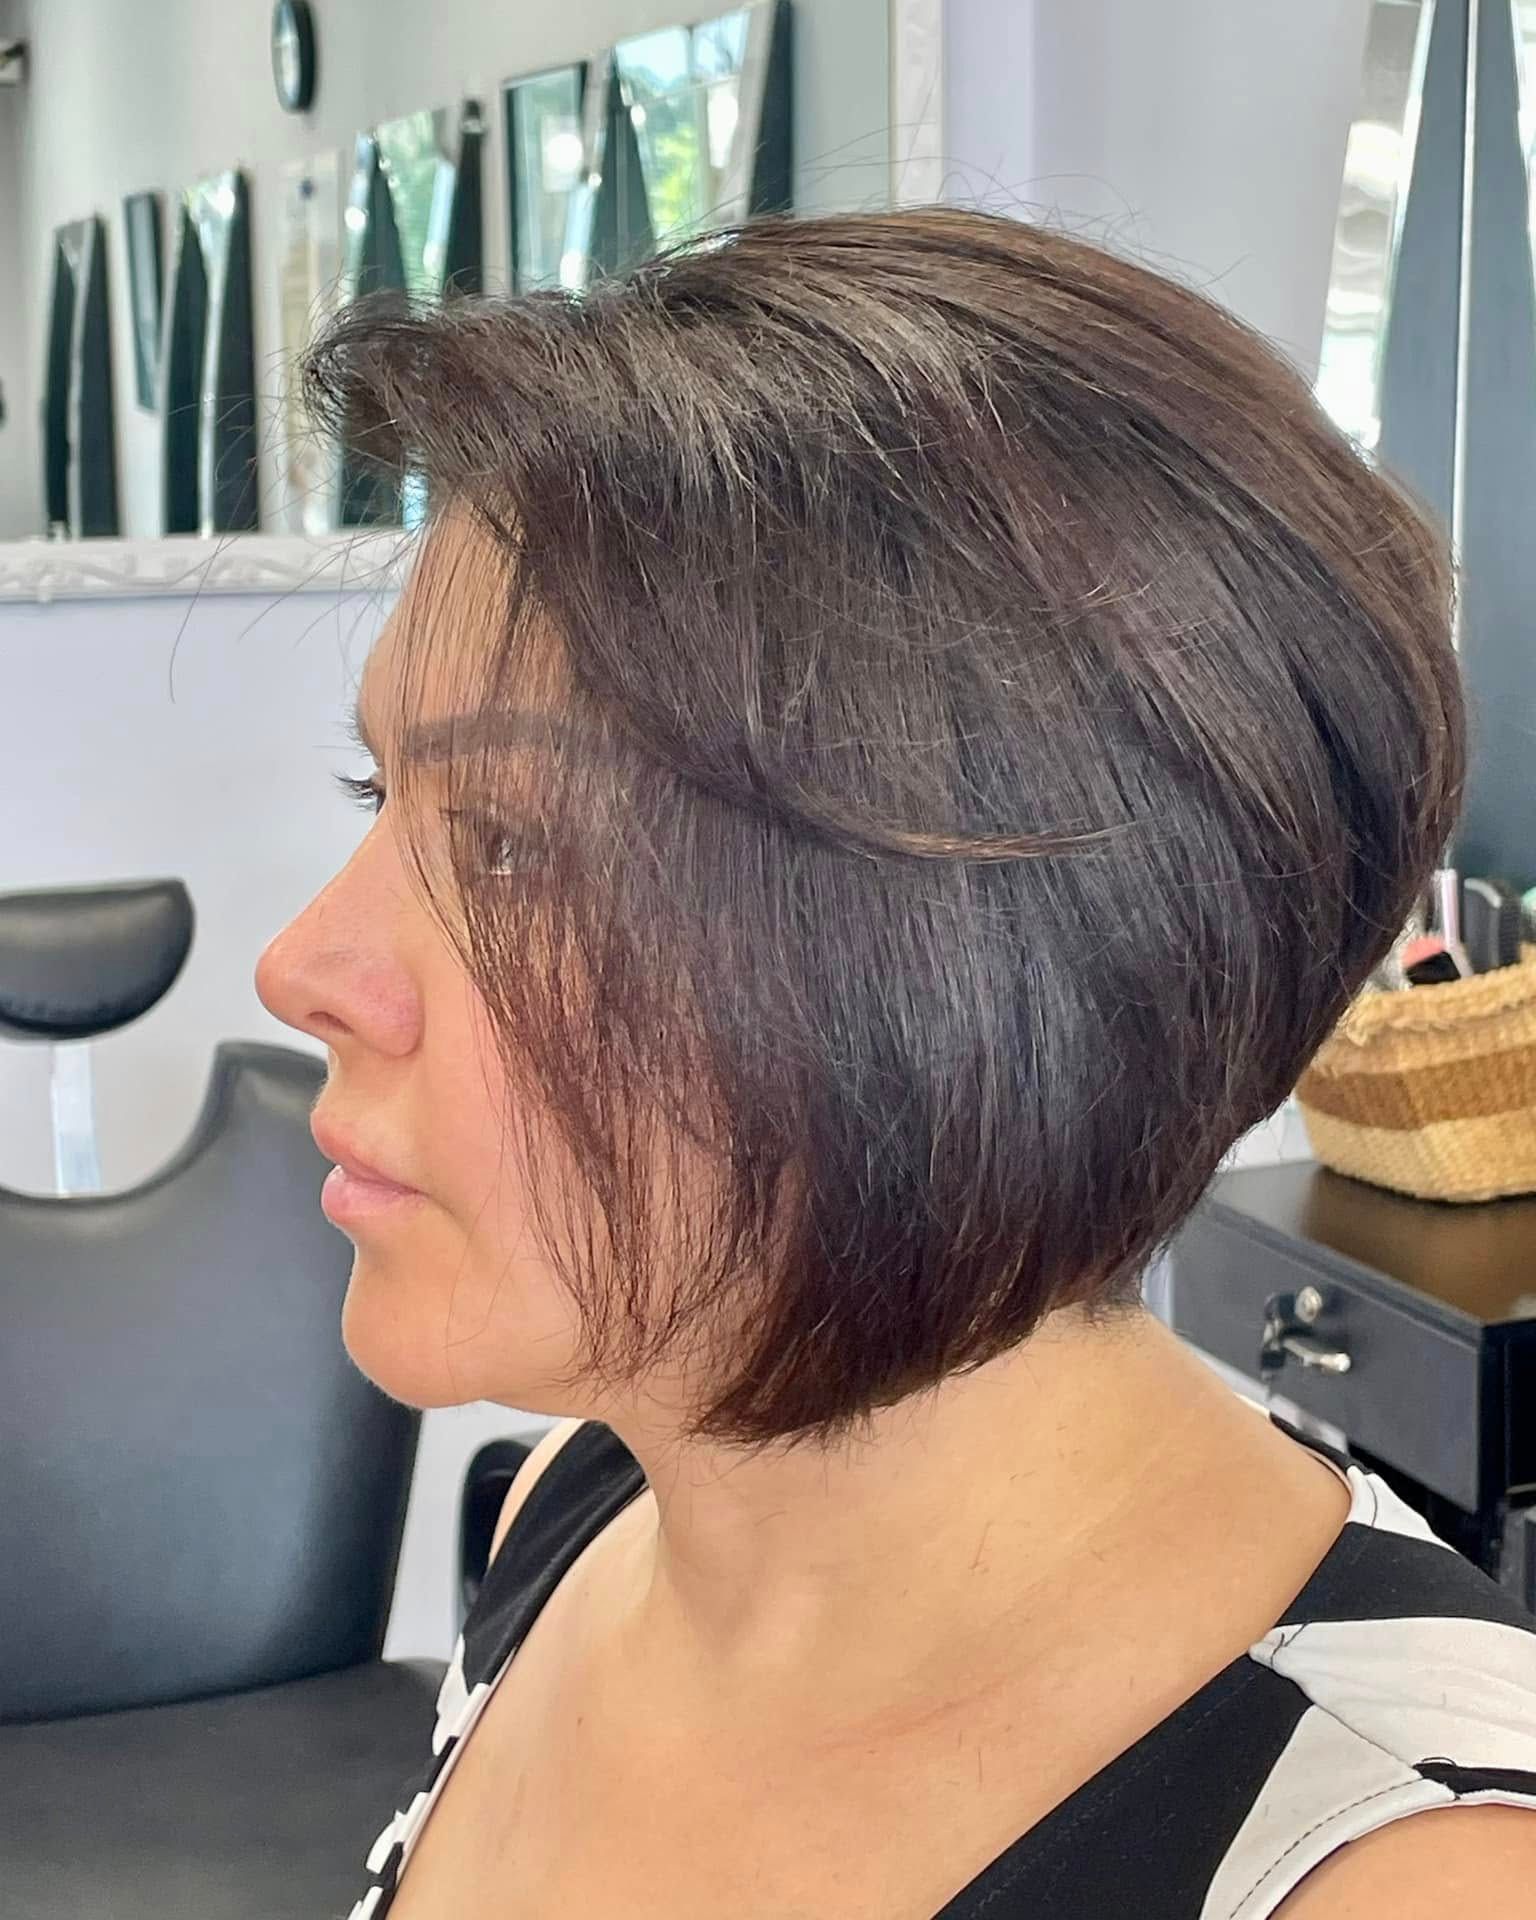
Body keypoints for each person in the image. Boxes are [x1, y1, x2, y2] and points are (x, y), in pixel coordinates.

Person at [255, 209, 1536, 1919]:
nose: (303, 969)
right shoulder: (584, 1500)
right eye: (381, 797)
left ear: (981, 981)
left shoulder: (1406, 1880)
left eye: (507, 849)